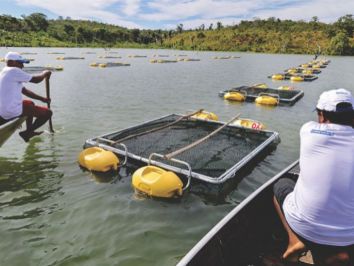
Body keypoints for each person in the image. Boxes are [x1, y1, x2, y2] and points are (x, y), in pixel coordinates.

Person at [273, 88, 354, 265]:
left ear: (321, 116)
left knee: (281, 185)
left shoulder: (308, 131)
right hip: (350, 236)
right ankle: (340, 252)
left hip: (306, 228)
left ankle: (294, 239)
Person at [0, 52, 52, 142]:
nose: (22, 66)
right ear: (12, 62)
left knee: (29, 104)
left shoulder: (4, 72)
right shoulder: (13, 70)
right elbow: (36, 80)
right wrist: (44, 73)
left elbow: (25, 91)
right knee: (47, 113)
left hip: (3, 111)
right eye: (20, 63)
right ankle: (28, 132)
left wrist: (42, 99)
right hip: (10, 111)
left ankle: (28, 131)